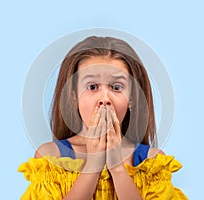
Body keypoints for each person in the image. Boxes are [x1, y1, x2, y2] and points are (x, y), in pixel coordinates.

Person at [18, 36, 188, 199]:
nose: (105, 99)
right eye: (92, 87)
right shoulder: (50, 157)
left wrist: (118, 169)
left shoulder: (152, 161)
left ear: (132, 99)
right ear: (73, 97)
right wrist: (93, 165)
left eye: (116, 87)